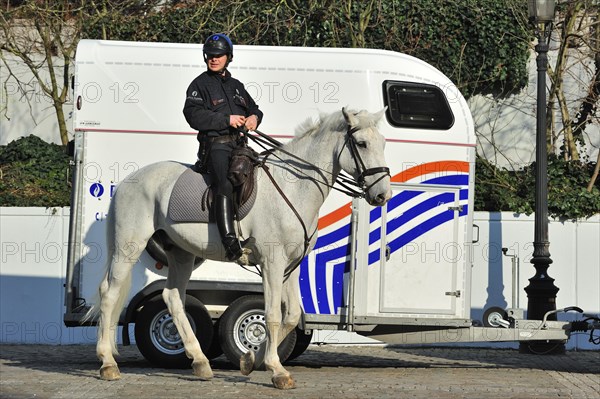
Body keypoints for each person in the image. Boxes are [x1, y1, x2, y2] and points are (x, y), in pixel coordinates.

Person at [183, 33, 263, 261]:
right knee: (224, 184)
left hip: (239, 145)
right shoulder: (199, 84)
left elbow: (255, 109)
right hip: (215, 147)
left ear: (229, 57)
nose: (214, 59)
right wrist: (226, 120)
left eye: (219, 55)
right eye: (210, 55)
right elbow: (193, 115)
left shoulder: (237, 86)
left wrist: (254, 118)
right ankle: (230, 243)